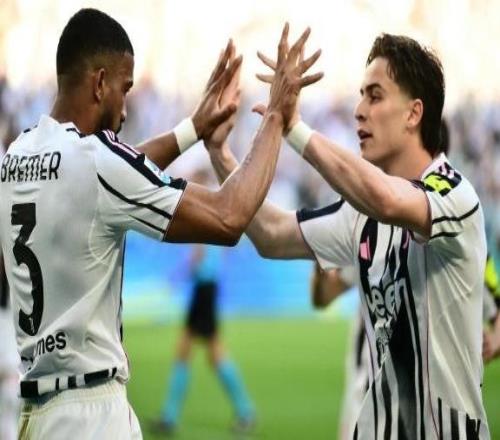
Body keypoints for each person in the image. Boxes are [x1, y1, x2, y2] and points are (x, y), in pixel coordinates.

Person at [0, 9, 321, 439]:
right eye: (124, 89)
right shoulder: (96, 161)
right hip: (91, 415)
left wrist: (192, 129)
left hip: (35, 414)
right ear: (99, 83)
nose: (125, 109)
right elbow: (229, 216)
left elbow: (114, 177)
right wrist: (277, 113)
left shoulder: (17, 156)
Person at [206, 33, 490, 438]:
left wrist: (294, 127)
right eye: (360, 96)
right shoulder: (360, 214)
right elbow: (270, 234)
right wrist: (220, 153)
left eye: (375, 96)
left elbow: (388, 200)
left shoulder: (454, 195)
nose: (358, 111)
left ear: (414, 113)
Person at [152, 170, 255, 436]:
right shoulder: (217, 210)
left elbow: (198, 255)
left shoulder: (202, 211)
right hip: (208, 287)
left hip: (203, 289)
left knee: (210, 352)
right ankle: (171, 416)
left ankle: (245, 411)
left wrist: (178, 276)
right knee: (194, 350)